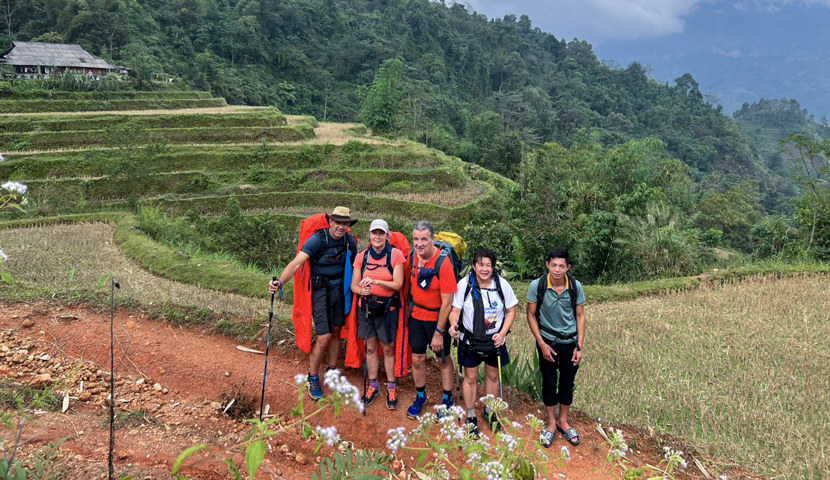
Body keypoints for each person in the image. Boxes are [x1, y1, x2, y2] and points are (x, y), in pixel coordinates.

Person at [269, 206, 358, 400]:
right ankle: (313, 377)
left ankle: (332, 372)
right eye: (338, 222)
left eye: (345, 223)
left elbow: (357, 266)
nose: (342, 227)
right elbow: (296, 264)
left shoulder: (350, 241)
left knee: (336, 332)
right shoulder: (318, 240)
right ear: (330, 222)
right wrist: (280, 283)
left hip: (340, 292)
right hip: (320, 293)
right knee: (324, 336)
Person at [448, 249, 518, 436]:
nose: (484, 269)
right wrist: (453, 324)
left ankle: (489, 410)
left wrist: (503, 333)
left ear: (493, 267)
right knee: (470, 378)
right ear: (474, 266)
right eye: (481, 264)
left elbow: (511, 310)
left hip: (494, 339)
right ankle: (470, 415)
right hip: (470, 338)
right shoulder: (465, 284)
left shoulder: (502, 285)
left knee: (493, 377)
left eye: (488, 265)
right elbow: (455, 310)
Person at [526, 247, 586, 448]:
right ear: (547, 265)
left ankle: (563, 421)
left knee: (567, 382)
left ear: (568, 267)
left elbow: (580, 316)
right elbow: (530, 315)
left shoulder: (575, 287)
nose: (557, 270)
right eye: (554, 265)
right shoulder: (538, 286)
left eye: (562, 266)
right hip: (548, 342)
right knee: (549, 381)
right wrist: (541, 343)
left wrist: (579, 346)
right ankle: (551, 423)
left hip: (570, 342)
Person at [404, 221, 457, 419]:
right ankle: (420, 396)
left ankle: (447, 399)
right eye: (416, 239)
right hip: (417, 315)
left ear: (432, 239)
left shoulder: (443, 263)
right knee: (417, 358)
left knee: (442, 359)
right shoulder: (412, 257)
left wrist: (438, 332)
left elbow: (447, 302)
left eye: (424, 239)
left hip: (437, 318)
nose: (419, 243)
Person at [350, 219, 406, 410]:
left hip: (386, 311)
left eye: (381, 233)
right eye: (374, 233)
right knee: (371, 348)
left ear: (387, 236)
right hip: (365, 309)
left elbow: (398, 284)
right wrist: (361, 291)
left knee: (388, 349)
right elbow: (354, 285)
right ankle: (373, 385)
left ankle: (391, 387)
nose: (377, 237)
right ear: (370, 235)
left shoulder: (396, 255)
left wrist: (376, 282)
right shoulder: (361, 257)